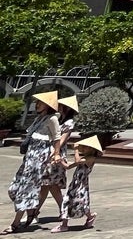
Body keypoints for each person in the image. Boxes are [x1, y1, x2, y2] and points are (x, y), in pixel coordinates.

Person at [5, 91, 62, 234]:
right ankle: (31, 211)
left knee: (26, 189)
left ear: (48, 105)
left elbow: (57, 138)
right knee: (14, 189)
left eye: (40, 103)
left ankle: (15, 223)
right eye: (37, 102)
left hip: (39, 159)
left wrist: (56, 153)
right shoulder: (39, 119)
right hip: (30, 157)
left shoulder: (52, 119)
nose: (37, 105)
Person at [32, 95, 79, 224]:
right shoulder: (56, 119)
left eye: (62, 106)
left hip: (54, 156)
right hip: (47, 153)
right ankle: (62, 210)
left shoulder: (68, 123)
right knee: (49, 186)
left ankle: (35, 212)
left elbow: (61, 140)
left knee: (48, 185)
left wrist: (54, 153)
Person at [49, 135, 101, 233]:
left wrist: (76, 149)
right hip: (74, 184)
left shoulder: (91, 158)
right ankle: (64, 225)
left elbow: (77, 161)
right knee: (67, 201)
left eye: (85, 147)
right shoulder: (84, 158)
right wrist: (59, 161)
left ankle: (89, 217)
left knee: (81, 203)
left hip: (82, 185)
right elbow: (68, 166)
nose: (83, 149)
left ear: (91, 149)